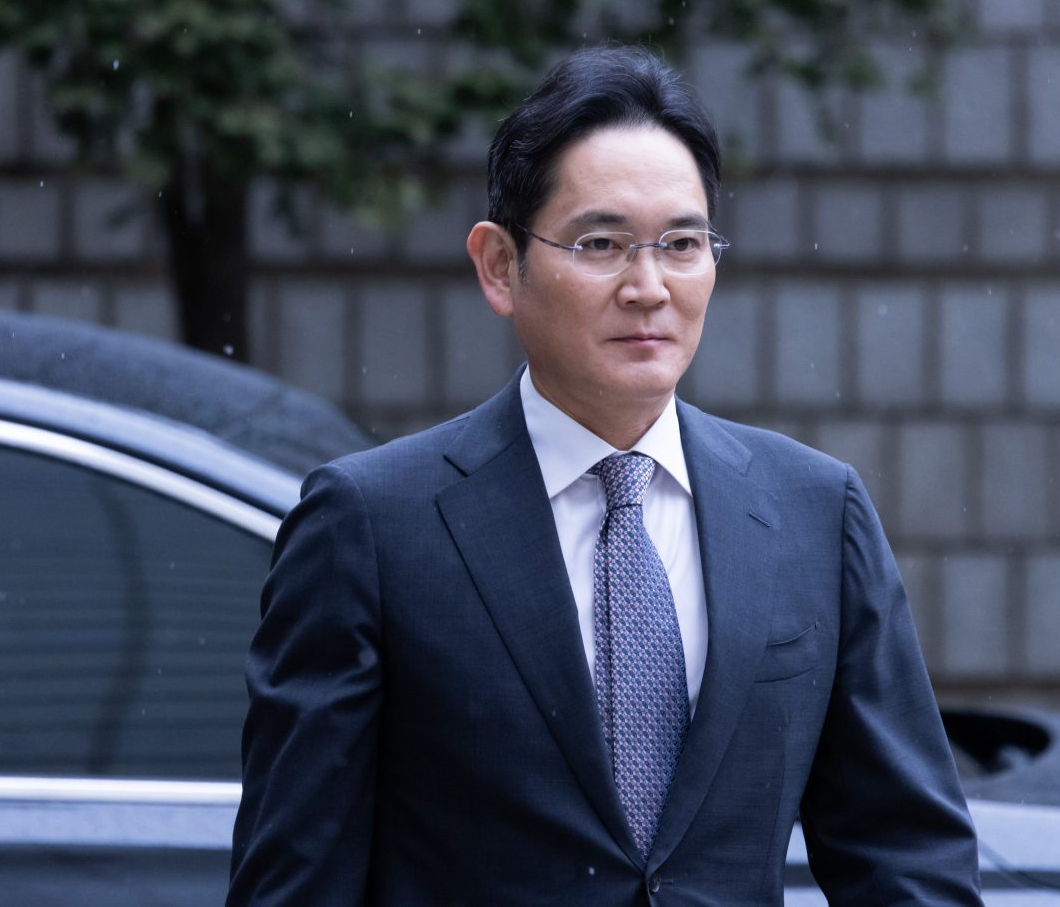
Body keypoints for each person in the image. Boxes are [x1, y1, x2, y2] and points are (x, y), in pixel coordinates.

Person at [227, 45, 981, 906]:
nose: (648, 287)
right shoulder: (373, 525)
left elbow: (907, 859)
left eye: (682, 244)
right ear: (499, 266)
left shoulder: (812, 509)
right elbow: (295, 883)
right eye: (601, 244)